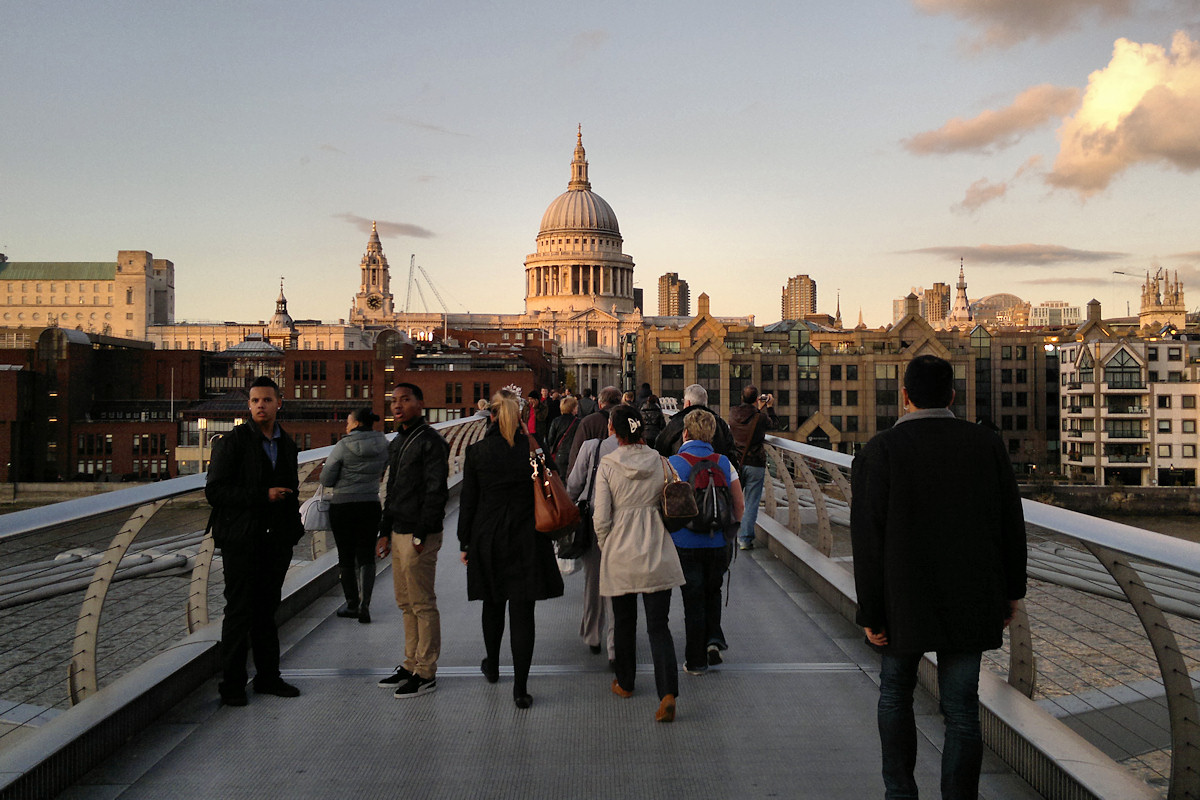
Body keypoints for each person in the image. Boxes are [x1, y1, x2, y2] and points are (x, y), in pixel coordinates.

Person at [851, 355, 1027, 800]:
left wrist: (870, 609)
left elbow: (867, 539)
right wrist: (1011, 592)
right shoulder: (986, 444)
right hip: (970, 593)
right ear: (952, 396)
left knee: (895, 696)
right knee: (962, 709)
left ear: (904, 397)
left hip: (901, 598)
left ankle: (900, 793)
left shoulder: (879, 451)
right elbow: (1011, 522)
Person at [457, 390, 564, 709]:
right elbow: (552, 477)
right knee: (522, 612)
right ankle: (520, 687)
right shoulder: (533, 450)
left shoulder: (477, 452)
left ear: (490, 417)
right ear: (519, 418)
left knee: (492, 604)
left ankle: (492, 664)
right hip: (526, 536)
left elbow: (468, 502)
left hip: (488, 537)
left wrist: (465, 542)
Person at [205, 376, 304, 706]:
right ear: (248, 406)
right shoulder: (232, 443)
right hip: (242, 541)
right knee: (239, 612)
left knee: (267, 611)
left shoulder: (288, 445)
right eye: (255, 400)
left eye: (267, 399)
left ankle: (268, 678)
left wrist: (292, 531)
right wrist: (263, 495)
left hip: (276, 541)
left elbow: (291, 491)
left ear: (279, 402)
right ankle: (232, 686)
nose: (261, 405)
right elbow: (215, 491)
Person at [593, 405, 685, 723]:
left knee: (624, 621)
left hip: (621, 550)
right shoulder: (661, 460)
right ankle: (668, 693)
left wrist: (608, 546)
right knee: (659, 627)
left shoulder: (607, 464)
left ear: (614, 431)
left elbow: (601, 518)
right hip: (657, 548)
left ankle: (626, 683)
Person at [376, 383, 450, 699]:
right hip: (398, 530)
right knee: (405, 603)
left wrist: (421, 533)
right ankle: (410, 664)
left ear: (420, 403)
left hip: (419, 534)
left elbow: (436, 492)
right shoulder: (400, 440)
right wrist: (383, 531)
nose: (397, 406)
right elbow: (392, 489)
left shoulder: (431, 442)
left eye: (405, 400)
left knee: (422, 603)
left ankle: (426, 672)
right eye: (394, 401)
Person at [667, 410, 744, 674]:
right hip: (717, 542)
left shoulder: (674, 463)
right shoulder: (723, 462)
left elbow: (664, 505)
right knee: (713, 591)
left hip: (685, 542)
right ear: (711, 434)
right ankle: (713, 640)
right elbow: (739, 505)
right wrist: (729, 534)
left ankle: (696, 661)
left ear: (685, 433)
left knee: (693, 599)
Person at [320, 407, 389, 623]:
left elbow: (326, 479)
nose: (346, 426)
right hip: (370, 504)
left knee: (346, 555)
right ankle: (365, 604)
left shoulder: (342, 445)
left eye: (348, 422)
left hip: (343, 506)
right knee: (367, 555)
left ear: (357, 424)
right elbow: (385, 467)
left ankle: (351, 604)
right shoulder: (384, 444)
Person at [566, 427, 617, 664]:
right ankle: (615, 645)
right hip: (623, 525)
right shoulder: (643, 452)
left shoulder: (592, 447)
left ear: (610, 426)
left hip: (594, 520)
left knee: (593, 579)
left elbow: (574, 485)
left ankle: (593, 635)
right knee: (619, 585)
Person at [728, 385, 777, 551]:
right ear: (757, 399)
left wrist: (757, 409)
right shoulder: (760, 417)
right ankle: (745, 539)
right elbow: (774, 425)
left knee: (733, 499)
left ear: (741, 397)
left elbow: (745, 419)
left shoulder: (732, 412)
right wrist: (769, 407)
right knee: (751, 502)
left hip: (736, 462)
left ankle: (727, 533)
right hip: (755, 463)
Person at [654, 384, 736, 459]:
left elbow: (661, 446)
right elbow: (731, 450)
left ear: (687, 403)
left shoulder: (677, 422)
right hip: (716, 471)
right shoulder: (720, 423)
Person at [566, 385, 621, 478]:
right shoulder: (632, 420)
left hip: (595, 478)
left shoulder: (588, 422)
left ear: (600, 404)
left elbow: (576, 453)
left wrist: (571, 480)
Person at [545, 395, 580, 477]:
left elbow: (550, 440)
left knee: (560, 479)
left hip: (560, 454)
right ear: (573, 408)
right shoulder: (578, 422)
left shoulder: (556, 421)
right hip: (574, 454)